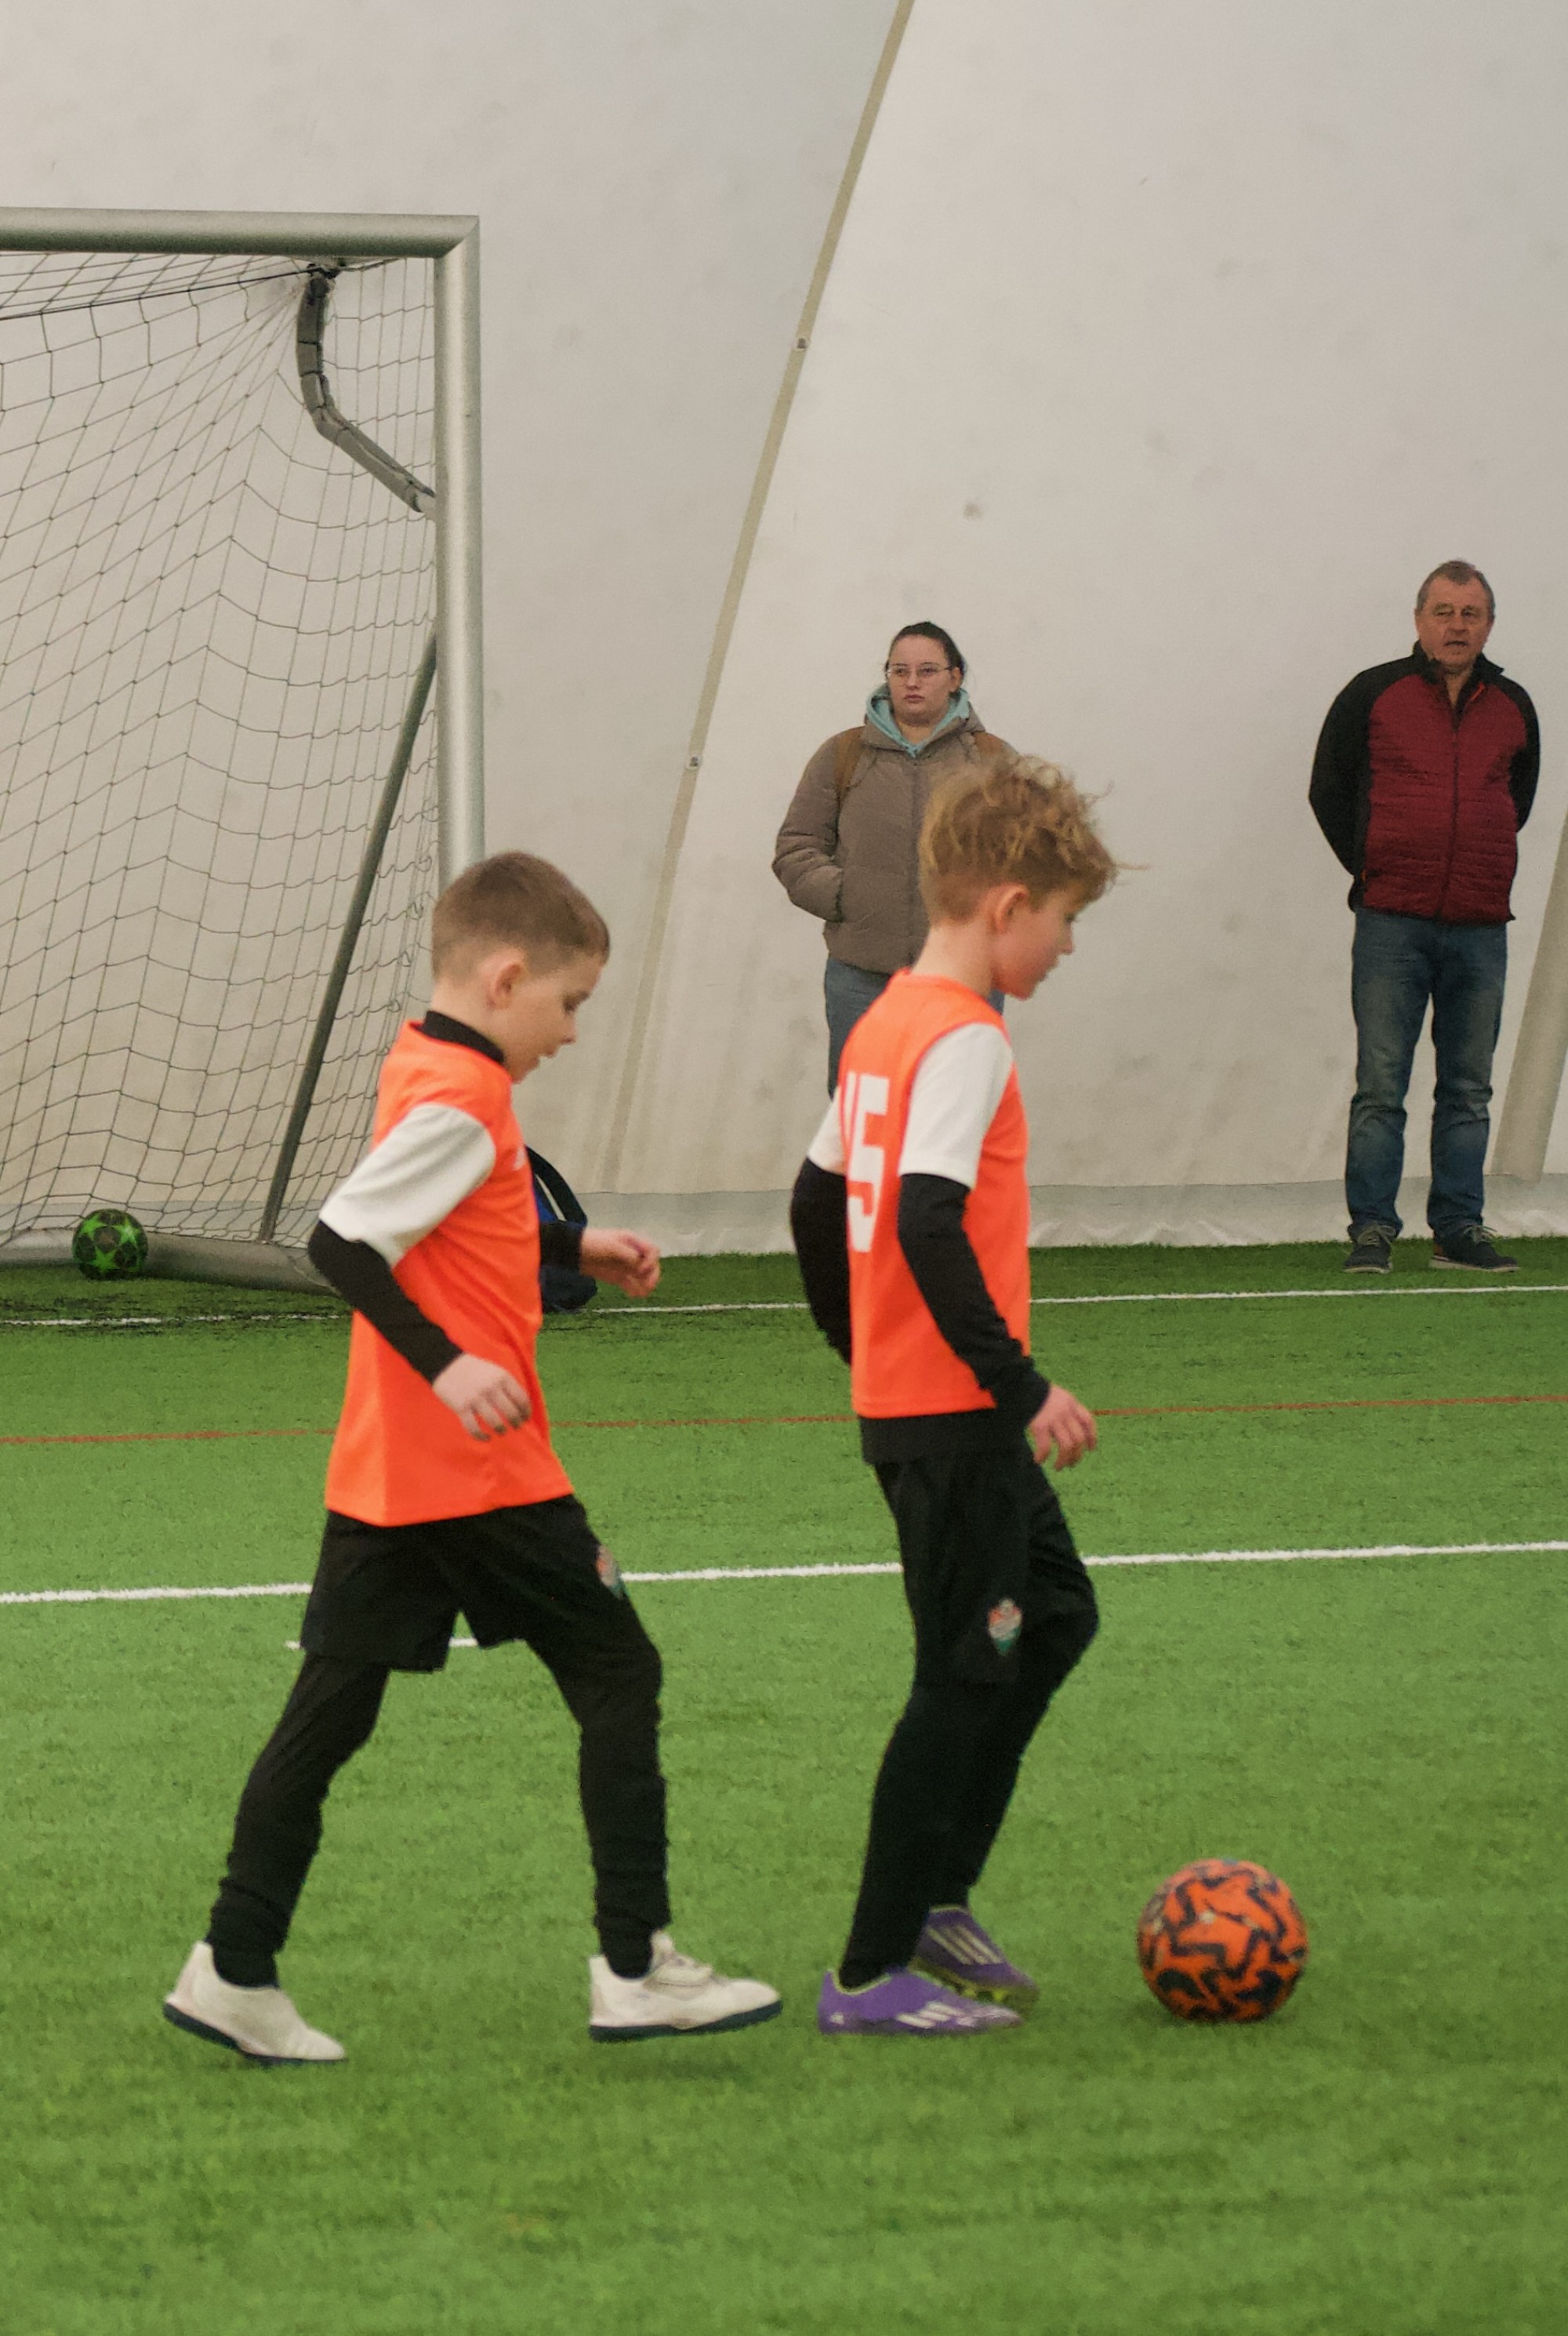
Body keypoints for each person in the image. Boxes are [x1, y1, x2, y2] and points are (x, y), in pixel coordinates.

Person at [163, 852, 781, 2062]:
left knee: (329, 1717)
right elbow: (341, 1242)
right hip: (481, 1470)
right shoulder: (465, 1094)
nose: (572, 1030)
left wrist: (571, 1242)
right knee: (619, 1669)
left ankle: (232, 1965)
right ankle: (636, 1964)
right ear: (504, 979)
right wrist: (450, 1363)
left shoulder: (428, 1062)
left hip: (392, 1470)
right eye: (570, 1002)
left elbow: (455, 1212)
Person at [789, 757, 1114, 2037]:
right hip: (959, 1413)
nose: (1068, 947)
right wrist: (1020, 1384)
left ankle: (937, 1899)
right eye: (1065, 919)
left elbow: (816, 1198)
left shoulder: (886, 1018)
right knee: (962, 1671)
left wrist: (856, 1341)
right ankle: (873, 1969)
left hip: (926, 1400)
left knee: (1058, 1615)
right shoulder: (968, 1035)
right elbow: (926, 1216)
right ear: (1008, 903)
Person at [1310, 561, 1541, 1274]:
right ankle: (1372, 1230)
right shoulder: (1372, 693)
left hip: (1480, 925)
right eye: (1444, 611)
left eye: (1471, 613)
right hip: (1392, 923)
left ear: (1489, 625)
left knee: (1468, 1088)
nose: (1456, 626)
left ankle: (1458, 1229)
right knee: (1381, 1084)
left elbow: (1517, 799)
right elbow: (1328, 789)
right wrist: (1375, 864)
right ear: (1419, 620)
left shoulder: (1514, 705)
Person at [773, 623, 1013, 1090]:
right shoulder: (843, 755)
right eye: (900, 671)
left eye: (927, 671)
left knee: (954, 1109)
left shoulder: (993, 760)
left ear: (955, 677)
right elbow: (797, 845)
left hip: (965, 976)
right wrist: (845, 897)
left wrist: (987, 918)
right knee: (861, 1112)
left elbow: (1031, 857)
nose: (912, 682)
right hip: (860, 978)